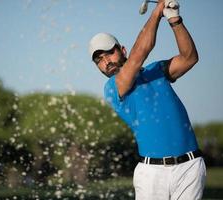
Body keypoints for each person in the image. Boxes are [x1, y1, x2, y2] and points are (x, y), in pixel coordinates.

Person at [88, 0, 206, 199]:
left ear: (122, 50)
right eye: (99, 59)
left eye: (109, 52)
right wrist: (158, 10)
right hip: (152, 174)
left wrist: (174, 19)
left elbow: (189, 58)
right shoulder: (113, 87)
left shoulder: (156, 71)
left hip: (190, 167)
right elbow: (140, 53)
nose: (106, 61)